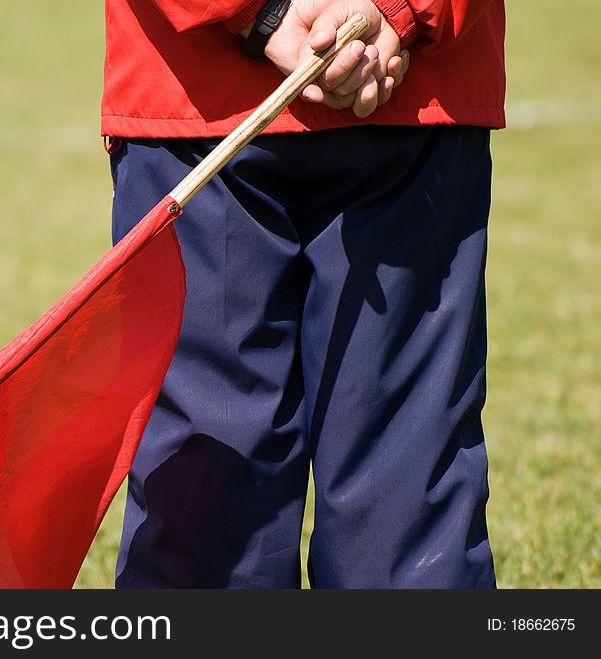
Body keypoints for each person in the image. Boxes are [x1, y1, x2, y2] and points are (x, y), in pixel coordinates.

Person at [102, 0, 505, 588]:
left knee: (208, 488)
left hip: (199, 95)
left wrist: (267, 12)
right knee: (395, 475)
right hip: (390, 97)